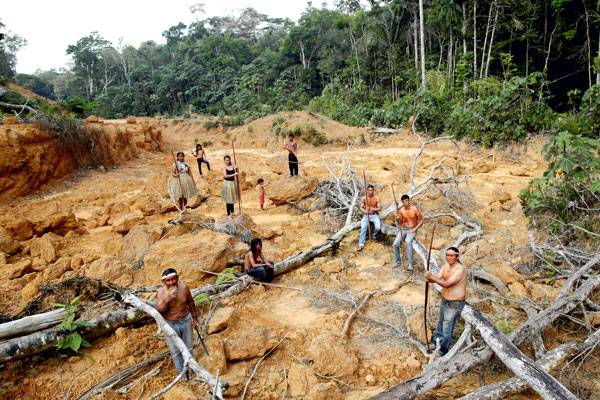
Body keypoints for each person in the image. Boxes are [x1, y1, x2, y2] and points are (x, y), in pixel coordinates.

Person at [424, 247, 467, 359]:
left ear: (457, 257)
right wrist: (429, 278)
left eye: (452, 255)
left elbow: (447, 284)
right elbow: (437, 277)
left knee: (447, 328)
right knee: (440, 323)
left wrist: (432, 278)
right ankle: (435, 342)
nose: (449, 257)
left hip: (455, 303)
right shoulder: (445, 266)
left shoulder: (460, 270)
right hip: (445, 300)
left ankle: (443, 350)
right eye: (447, 255)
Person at [156, 268, 199, 380]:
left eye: (173, 279)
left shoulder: (183, 287)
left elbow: (190, 302)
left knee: (188, 347)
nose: (171, 282)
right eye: (168, 280)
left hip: (185, 320)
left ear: (177, 278)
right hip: (170, 324)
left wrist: (194, 319)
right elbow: (159, 310)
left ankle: (191, 369)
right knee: (175, 351)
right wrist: (167, 300)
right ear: (164, 282)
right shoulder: (161, 292)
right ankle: (182, 372)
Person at [393, 194, 424, 272]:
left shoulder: (414, 209)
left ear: (409, 201)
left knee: (408, 241)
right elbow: (400, 223)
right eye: (404, 201)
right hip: (404, 229)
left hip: (412, 229)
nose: (406, 202)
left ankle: (410, 264)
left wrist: (415, 229)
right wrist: (398, 218)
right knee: (395, 244)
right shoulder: (401, 210)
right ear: (402, 202)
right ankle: (398, 262)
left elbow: (422, 220)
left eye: (407, 200)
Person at [357, 184, 381, 251]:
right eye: (369, 190)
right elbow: (361, 207)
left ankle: (374, 236)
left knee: (378, 227)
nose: (370, 191)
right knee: (363, 228)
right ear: (367, 191)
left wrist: (371, 209)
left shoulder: (377, 198)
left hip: (374, 215)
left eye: (372, 190)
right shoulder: (364, 198)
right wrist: (365, 211)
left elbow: (379, 208)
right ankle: (361, 244)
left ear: (373, 190)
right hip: (366, 215)